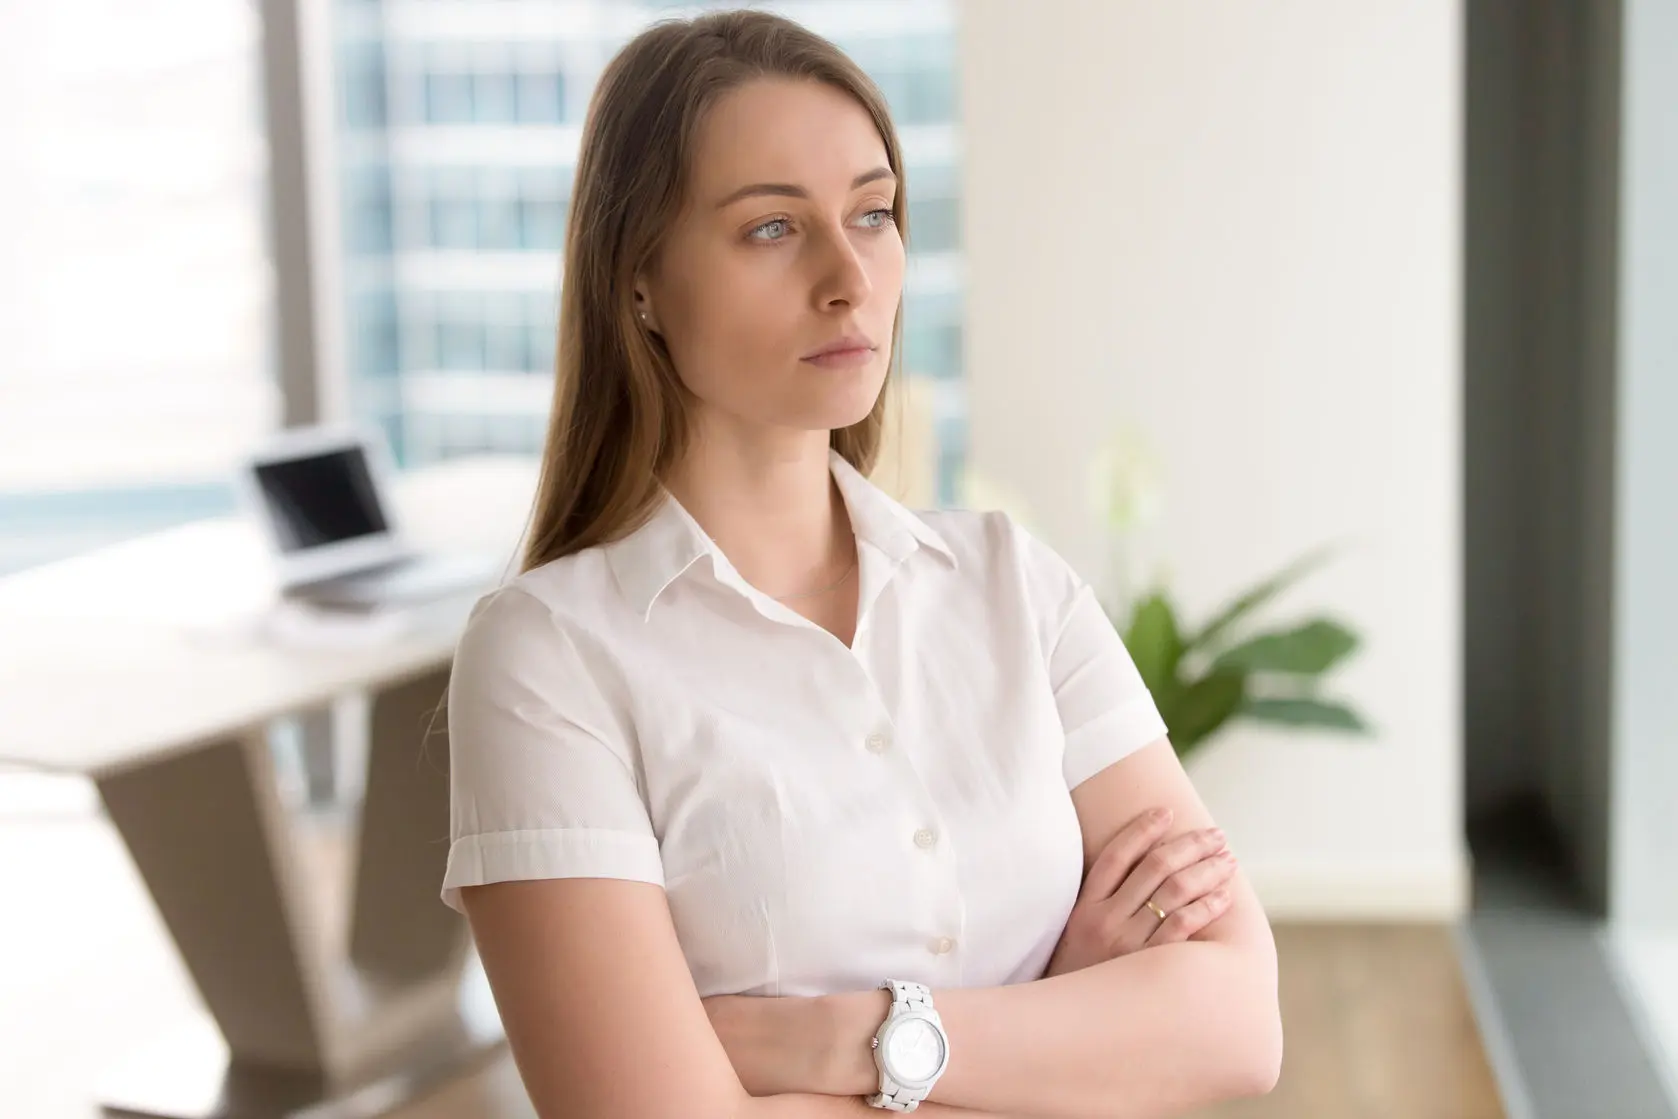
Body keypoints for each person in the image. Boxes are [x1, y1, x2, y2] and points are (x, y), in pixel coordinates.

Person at [441, 10, 1281, 1118]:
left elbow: (1234, 1027)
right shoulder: (547, 658)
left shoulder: (1009, 585)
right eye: (771, 230)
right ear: (638, 279)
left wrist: (832, 1040)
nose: (849, 277)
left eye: (873, 213)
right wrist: (1067, 1009)